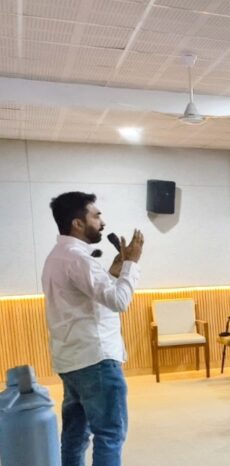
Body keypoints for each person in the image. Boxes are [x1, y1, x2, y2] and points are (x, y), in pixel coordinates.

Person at [42, 192, 144, 466]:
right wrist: (131, 265)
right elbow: (119, 301)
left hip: (71, 360)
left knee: (75, 436)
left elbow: (88, 300)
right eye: (96, 216)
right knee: (110, 434)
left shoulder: (56, 257)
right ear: (78, 223)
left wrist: (113, 273)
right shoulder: (78, 259)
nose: (102, 222)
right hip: (96, 360)